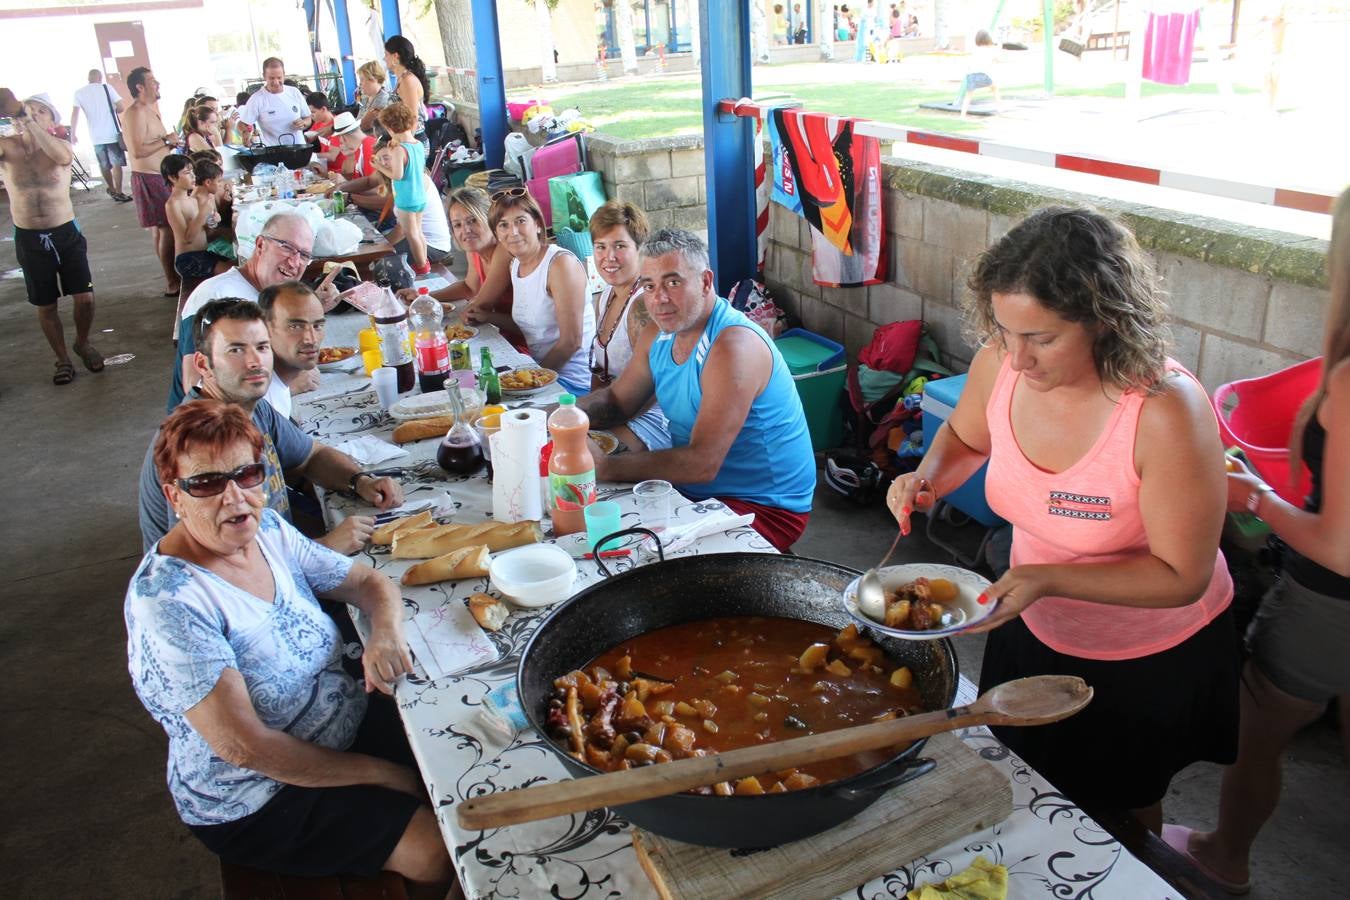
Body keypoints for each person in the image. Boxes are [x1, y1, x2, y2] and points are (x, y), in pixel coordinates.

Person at [887, 206, 1240, 834]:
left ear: (1105, 322)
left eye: (1042, 338)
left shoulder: (1163, 411)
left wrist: (1050, 578)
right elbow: (967, 439)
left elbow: (1181, 574)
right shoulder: (1003, 359)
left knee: (1122, 807)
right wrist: (927, 478)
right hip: (1031, 616)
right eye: (1004, 330)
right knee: (1023, 773)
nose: (1017, 358)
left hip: (1145, 649)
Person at [126, 399, 451, 891]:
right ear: (174, 497)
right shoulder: (169, 601)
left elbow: (371, 584)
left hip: (342, 722)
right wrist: (382, 774)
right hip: (257, 793)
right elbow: (242, 746)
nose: (235, 497)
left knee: (460, 737)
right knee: (435, 850)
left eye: (248, 474)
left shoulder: (267, 531)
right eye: (209, 483)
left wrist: (383, 634)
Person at [1166, 188, 1350, 895]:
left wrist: (1254, 499)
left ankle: (1224, 858)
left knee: (1259, 727)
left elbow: (1339, 547)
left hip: (1330, 602)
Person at [577, 229, 815, 551]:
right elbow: (618, 401)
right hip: (699, 490)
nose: (659, 298)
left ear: (705, 281)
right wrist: (565, 416)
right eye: (649, 286)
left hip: (764, 507)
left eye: (673, 283)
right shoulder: (657, 334)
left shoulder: (732, 346)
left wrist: (606, 467)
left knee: (640, 555)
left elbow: (703, 462)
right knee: (598, 531)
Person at [141, 300, 400, 554]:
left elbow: (311, 455)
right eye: (236, 350)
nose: (255, 362)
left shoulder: (251, 406)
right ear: (202, 365)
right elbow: (214, 569)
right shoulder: (195, 444)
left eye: (262, 347)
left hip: (279, 561)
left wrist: (359, 481)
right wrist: (325, 548)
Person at [169, 212, 335, 410]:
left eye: (304, 255)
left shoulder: (268, 295)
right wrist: (285, 386)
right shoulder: (216, 295)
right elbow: (196, 388)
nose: (295, 262)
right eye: (286, 247)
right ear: (260, 245)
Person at [0, 93, 104, 385]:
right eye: (27, 110)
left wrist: (30, 123)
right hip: (29, 237)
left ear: (51, 118)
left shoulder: (59, 147)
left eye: (39, 111)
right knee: (45, 304)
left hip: (65, 232)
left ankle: (82, 342)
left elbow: (62, 158)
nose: (31, 115)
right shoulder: (6, 148)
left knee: (84, 298)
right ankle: (62, 359)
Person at [465, 189, 594, 393]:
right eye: (503, 225)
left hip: (572, 382)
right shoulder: (516, 264)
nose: (513, 232)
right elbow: (532, 328)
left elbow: (572, 342)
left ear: (538, 225)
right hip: (541, 371)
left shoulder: (560, 264)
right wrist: (488, 316)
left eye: (520, 221)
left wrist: (529, 380)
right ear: (497, 234)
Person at [587, 202, 670, 452]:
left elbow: (652, 390)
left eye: (619, 246)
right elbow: (599, 373)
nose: (608, 257)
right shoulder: (607, 295)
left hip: (651, 417)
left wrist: (601, 423)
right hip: (614, 408)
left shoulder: (642, 305)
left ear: (640, 249)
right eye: (601, 247)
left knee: (588, 455)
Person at [123, 66, 182, 297]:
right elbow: (137, 150)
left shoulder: (148, 109)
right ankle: (171, 281)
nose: (157, 84)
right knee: (165, 228)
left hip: (158, 175)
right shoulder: (136, 112)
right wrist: (167, 141)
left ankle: (172, 277)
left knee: (161, 230)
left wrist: (167, 143)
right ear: (140, 86)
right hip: (149, 177)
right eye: (152, 81)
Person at [163, 155, 230, 320]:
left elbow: (204, 232)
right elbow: (187, 238)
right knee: (231, 272)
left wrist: (212, 223)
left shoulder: (191, 199)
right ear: (172, 177)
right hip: (188, 260)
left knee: (234, 264)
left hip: (202, 253)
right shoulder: (173, 204)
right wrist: (203, 214)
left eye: (193, 172)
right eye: (187, 173)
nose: (193, 176)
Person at [372, 103, 430, 274]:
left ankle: (421, 267)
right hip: (419, 196)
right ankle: (425, 263)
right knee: (419, 232)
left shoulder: (399, 149)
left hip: (406, 198)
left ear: (389, 127)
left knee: (411, 234)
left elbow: (397, 175)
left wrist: (378, 165)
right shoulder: (418, 144)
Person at [258, 281, 325, 418]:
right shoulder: (260, 399)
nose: (311, 340)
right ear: (264, 328)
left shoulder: (275, 384)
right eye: (295, 327)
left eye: (317, 326)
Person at [70, 69, 132, 202]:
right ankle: (119, 191)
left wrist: (73, 134)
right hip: (112, 133)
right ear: (100, 78)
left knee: (103, 164)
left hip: (95, 136)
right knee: (116, 164)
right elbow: (121, 107)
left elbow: (75, 113)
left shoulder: (79, 93)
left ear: (88, 79)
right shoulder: (107, 88)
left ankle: (111, 189)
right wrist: (110, 110)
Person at [237, 58, 311, 147]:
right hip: (274, 152)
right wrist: (245, 132)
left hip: (299, 149)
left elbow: (308, 118)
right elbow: (242, 123)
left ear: (284, 75)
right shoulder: (256, 99)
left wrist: (303, 123)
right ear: (264, 76)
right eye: (271, 78)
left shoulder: (294, 92)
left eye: (279, 78)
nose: (276, 82)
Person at [383, 36, 430, 146]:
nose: (384, 59)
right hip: (404, 139)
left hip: (412, 141)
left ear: (395, 56)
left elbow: (412, 117)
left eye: (386, 54)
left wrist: (405, 145)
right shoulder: (402, 79)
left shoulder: (408, 81)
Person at [323, 112, 377, 181]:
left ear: (342, 137)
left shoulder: (368, 146)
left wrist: (344, 183)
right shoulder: (360, 148)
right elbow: (356, 179)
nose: (340, 141)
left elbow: (375, 187)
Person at [961, 30, 1001, 118]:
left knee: (968, 96)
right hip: (983, 75)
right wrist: (999, 48)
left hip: (971, 75)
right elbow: (997, 59)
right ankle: (999, 110)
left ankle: (962, 115)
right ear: (988, 39)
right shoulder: (990, 50)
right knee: (995, 89)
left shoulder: (974, 49)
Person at [355, 60, 395, 140]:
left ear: (373, 79)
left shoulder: (383, 98)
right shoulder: (366, 98)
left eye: (362, 80)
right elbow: (358, 121)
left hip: (376, 141)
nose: (360, 84)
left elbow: (363, 125)